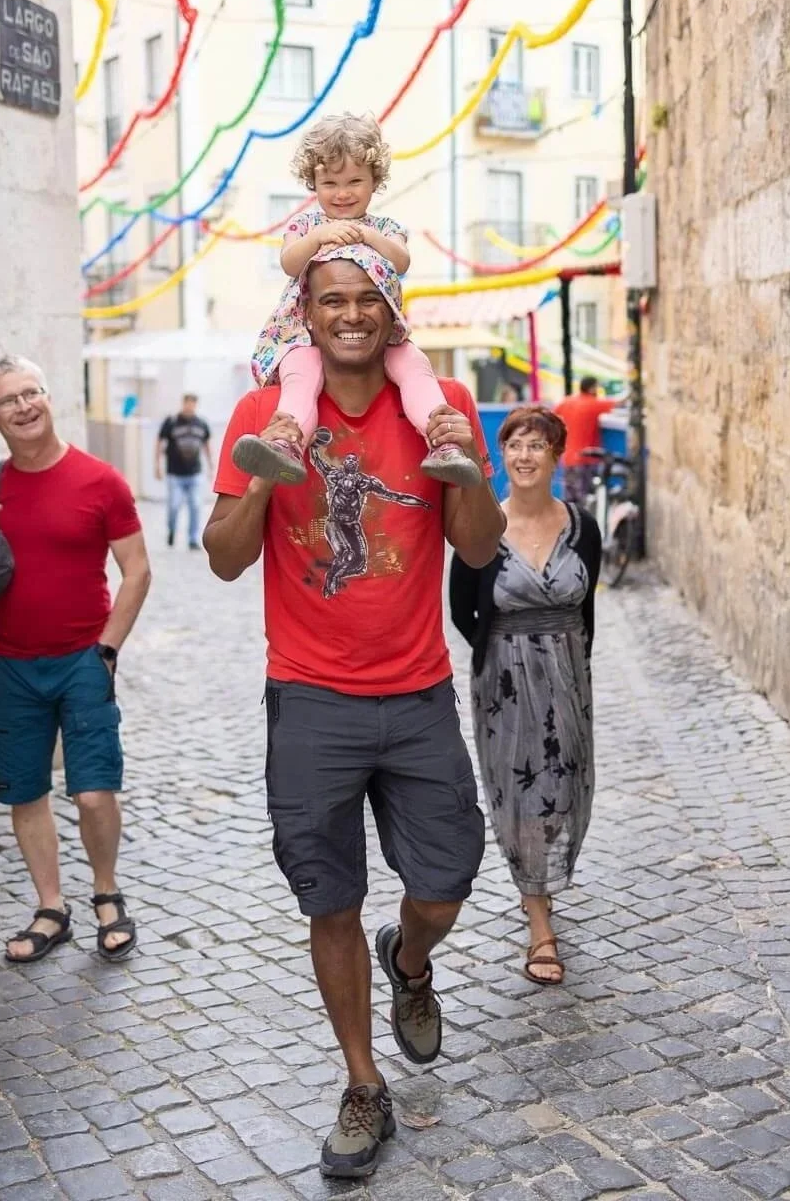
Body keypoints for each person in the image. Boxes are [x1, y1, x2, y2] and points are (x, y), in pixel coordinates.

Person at [205, 244, 505, 1180]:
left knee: (447, 880)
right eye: (330, 300)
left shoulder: (437, 409)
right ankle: (364, 1084)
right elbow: (222, 556)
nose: (348, 314)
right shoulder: (265, 413)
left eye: (364, 300)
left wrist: (463, 467)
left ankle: (409, 962)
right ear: (308, 310)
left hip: (416, 693)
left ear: (389, 311)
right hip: (310, 698)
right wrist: (266, 475)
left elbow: (482, 547)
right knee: (329, 899)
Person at [0, 356, 151, 965]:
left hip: (83, 660)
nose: (24, 406)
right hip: (9, 663)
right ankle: (50, 907)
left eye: (32, 391)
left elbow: (136, 570)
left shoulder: (100, 481)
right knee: (26, 793)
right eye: (9, 400)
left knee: (92, 793)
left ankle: (107, 894)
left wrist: (107, 650)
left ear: (49, 396)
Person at [232, 112, 480, 490]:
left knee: (416, 368)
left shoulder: (385, 229)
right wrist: (319, 238)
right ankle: (286, 445)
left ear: (375, 181)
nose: (342, 193)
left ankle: (443, 443)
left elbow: (401, 261)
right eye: (329, 183)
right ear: (312, 183)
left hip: (381, 335)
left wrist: (364, 236)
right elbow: (288, 262)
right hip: (305, 334)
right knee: (301, 377)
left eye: (354, 182)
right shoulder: (305, 228)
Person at [450, 405, 601, 986]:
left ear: (555, 455)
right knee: (517, 798)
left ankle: (544, 880)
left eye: (537, 445)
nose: (524, 455)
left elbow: (587, 607)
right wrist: (504, 654)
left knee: (568, 793)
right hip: (505, 686)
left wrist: (568, 663)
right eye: (514, 445)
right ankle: (540, 924)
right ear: (502, 455)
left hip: (568, 679)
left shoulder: (582, 527)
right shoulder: (482, 525)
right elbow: (462, 609)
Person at [554, 375, 625, 504]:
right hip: (586, 459)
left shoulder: (566, 402)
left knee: (570, 500)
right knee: (585, 500)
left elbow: (552, 417)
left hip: (568, 458)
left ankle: (571, 524)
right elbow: (620, 403)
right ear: (592, 388)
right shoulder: (593, 403)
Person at [156, 393, 212, 549]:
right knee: (174, 506)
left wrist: (211, 466)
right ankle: (172, 530)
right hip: (175, 474)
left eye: (193, 403)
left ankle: (193, 539)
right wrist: (157, 465)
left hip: (194, 473)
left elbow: (206, 445)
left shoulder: (201, 424)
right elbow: (159, 442)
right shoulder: (171, 422)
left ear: (195, 405)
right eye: (187, 403)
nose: (190, 406)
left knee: (195, 505)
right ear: (183, 403)